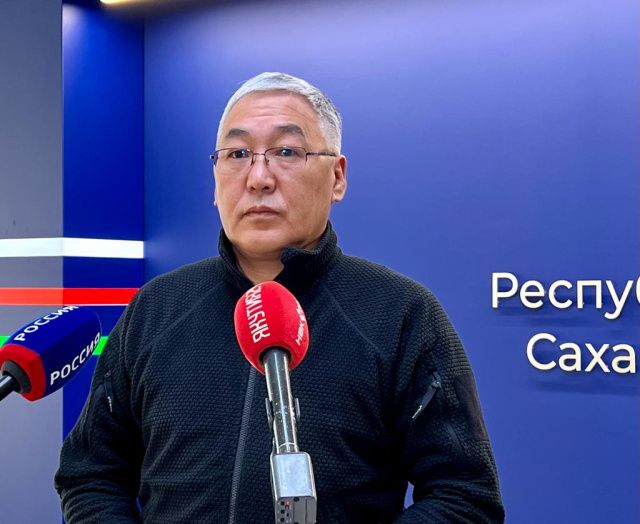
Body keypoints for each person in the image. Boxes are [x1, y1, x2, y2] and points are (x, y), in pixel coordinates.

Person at [56, 72, 504, 523]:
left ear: (337, 177)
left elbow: (464, 497)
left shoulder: (400, 312)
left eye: (287, 152)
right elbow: (91, 475)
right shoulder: (157, 307)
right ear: (214, 179)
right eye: (237, 154)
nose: (258, 178)